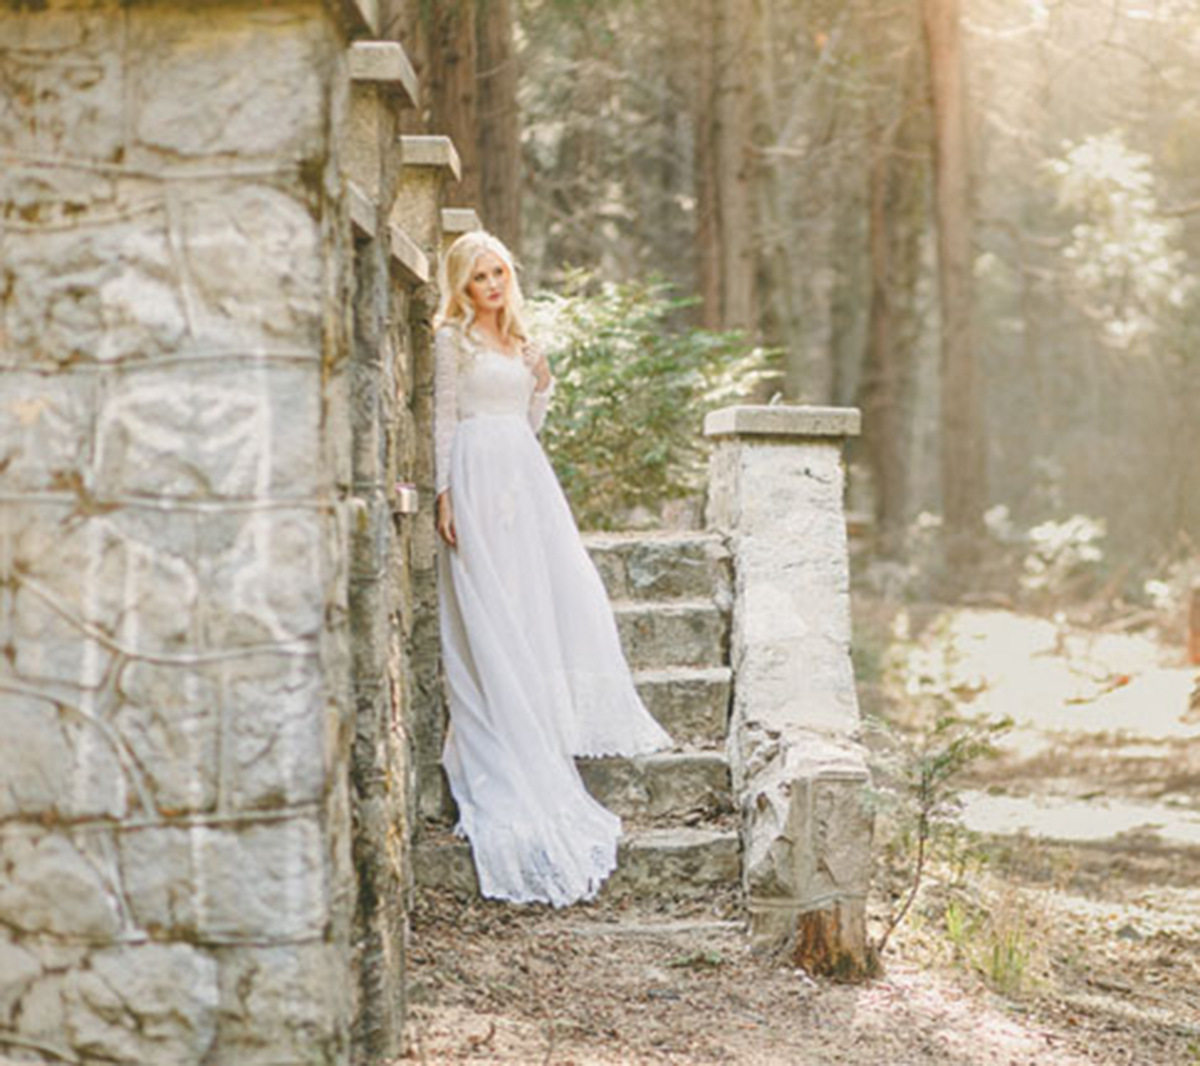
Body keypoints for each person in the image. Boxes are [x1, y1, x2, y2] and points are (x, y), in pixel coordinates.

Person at [432, 230, 671, 907]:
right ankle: (496, 736)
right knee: (491, 607)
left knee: (543, 604)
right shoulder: (452, 342)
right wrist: (445, 492)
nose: (493, 285)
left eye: (500, 272)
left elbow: (529, 424)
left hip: (525, 482)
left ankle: (535, 719)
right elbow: (446, 420)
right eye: (479, 277)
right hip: (477, 474)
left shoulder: (521, 342)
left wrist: (540, 383)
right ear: (461, 285)